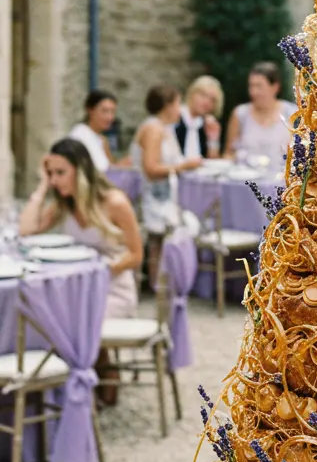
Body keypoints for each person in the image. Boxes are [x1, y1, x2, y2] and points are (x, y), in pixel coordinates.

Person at [19, 138, 142, 319]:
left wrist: (97, 273)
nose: (55, 180)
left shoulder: (114, 202)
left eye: (60, 173)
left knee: (68, 320)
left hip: (112, 290)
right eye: (50, 173)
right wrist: (42, 186)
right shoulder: (65, 204)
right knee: (39, 313)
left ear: (80, 171)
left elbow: (136, 255)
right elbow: (26, 230)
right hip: (77, 291)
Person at [132, 85, 202, 285]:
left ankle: (167, 282)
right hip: (153, 198)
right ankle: (160, 285)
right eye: (178, 103)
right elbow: (151, 168)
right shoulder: (153, 129)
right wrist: (184, 166)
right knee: (163, 238)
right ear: (167, 106)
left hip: (164, 196)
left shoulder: (163, 128)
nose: (180, 109)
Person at [224, 62, 297, 168]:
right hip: (245, 181)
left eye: (259, 86)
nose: (253, 92)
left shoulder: (291, 113)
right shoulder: (240, 114)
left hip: (280, 181)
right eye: (251, 86)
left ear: (275, 87)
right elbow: (228, 154)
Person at [69, 89, 130, 173]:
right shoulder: (79, 135)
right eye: (104, 111)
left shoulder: (102, 140)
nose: (110, 117)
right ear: (90, 110)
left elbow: (110, 171)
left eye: (112, 112)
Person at [176, 76, 223, 160]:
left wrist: (213, 139)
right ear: (192, 94)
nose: (206, 102)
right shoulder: (175, 117)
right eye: (203, 95)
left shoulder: (207, 125)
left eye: (212, 100)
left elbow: (213, 162)